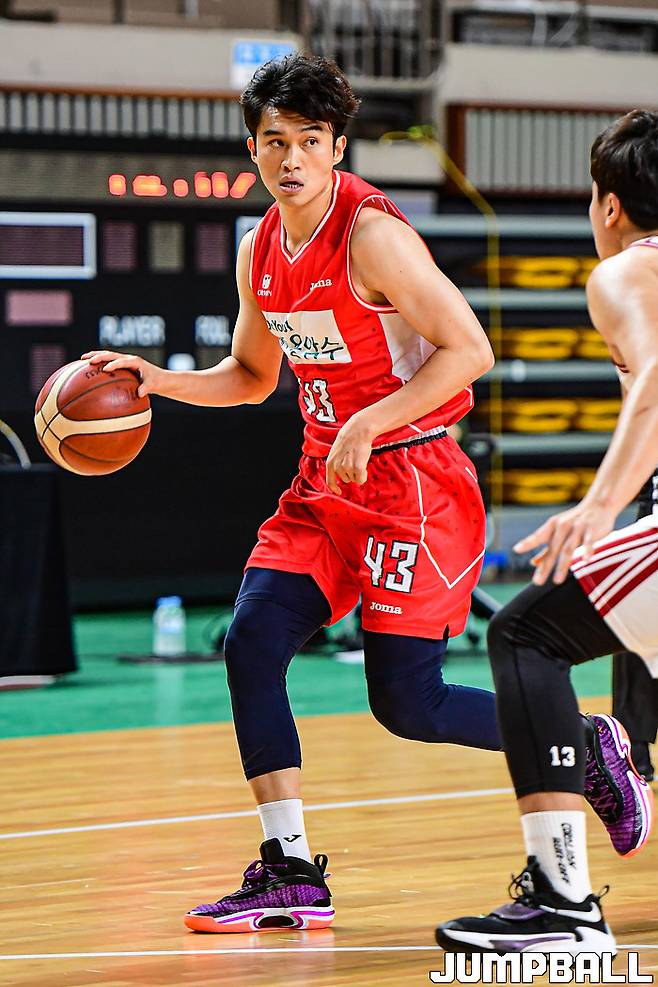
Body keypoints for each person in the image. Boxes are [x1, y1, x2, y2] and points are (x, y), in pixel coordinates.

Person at [83, 58, 646, 936]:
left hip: (413, 484)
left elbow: (470, 350)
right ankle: (289, 869)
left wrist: (372, 419)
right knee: (250, 640)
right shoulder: (259, 250)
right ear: (253, 149)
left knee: (407, 703)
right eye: (276, 142)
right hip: (324, 486)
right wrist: (160, 381)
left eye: (311, 141)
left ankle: (588, 745)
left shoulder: (373, 235)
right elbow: (250, 376)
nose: (292, 159)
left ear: (337, 147)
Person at [436, 109, 658, 957]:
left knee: (524, 633)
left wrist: (600, 504)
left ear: (608, 205)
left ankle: (564, 901)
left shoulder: (627, 270)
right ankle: (620, 761)